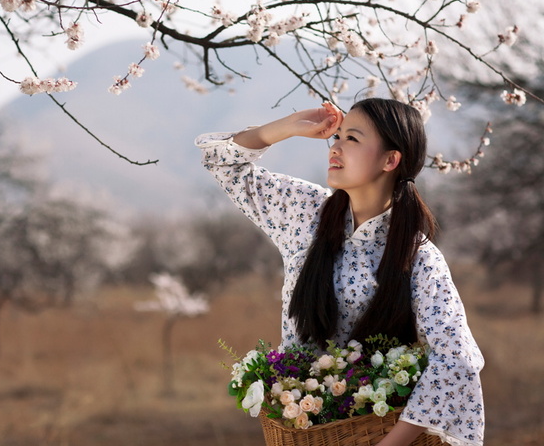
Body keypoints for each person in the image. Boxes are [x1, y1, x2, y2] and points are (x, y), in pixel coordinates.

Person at [195, 98, 484, 446]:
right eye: (337, 137)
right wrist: (290, 126)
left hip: (377, 433)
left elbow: (456, 361)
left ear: (391, 160)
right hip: (301, 432)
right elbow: (225, 164)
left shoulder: (420, 259)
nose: (335, 147)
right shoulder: (306, 214)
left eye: (353, 138)